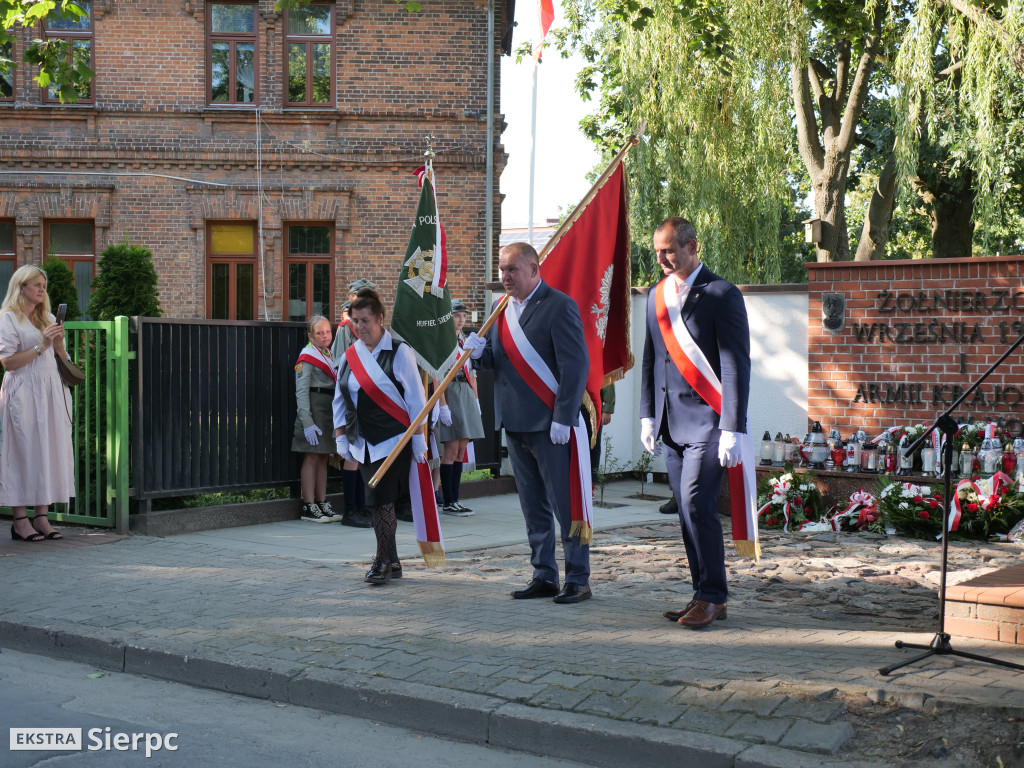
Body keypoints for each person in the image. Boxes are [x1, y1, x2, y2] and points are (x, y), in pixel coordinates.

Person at [464, 242, 592, 604]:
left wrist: (564, 417)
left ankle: (578, 577)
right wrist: (477, 354)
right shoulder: (500, 309)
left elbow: (575, 366)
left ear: (534, 270)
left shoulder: (559, 306)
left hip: (551, 425)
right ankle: (544, 573)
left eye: (512, 270)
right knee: (532, 505)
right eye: (502, 270)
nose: (505, 277)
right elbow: (495, 360)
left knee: (566, 505)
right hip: (515, 421)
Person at [640, 217, 751, 629]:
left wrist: (733, 427)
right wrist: (646, 415)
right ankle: (701, 591)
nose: (662, 259)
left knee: (695, 503)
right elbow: (652, 359)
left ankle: (714, 596)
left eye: (669, 250)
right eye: (657, 251)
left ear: (692, 246)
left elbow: (735, 363)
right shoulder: (656, 295)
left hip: (708, 422)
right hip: (670, 425)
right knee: (686, 513)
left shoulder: (722, 293)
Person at [333, 287, 429, 584]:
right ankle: (394, 561)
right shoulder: (351, 354)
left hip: (393, 439)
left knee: (380, 500)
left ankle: (382, 561)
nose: (360, 327)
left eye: (365, 321)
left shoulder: (400, 351)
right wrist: (340, 436)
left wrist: (418, 441)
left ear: (380, 319)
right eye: (356, 322)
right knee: (378, 500)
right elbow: (340, 398)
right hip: (362, 442)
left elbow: (415, 399)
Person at [0, 265, 75, 542]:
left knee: (49, 450)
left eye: (43, 285)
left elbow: (62, 359)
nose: (42, 289)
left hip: (51, 389)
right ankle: (20, 520)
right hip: (22, 391)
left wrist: (58, 346)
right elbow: (7, 363)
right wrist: (41, 346)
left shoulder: (49, 317)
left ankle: (42, 517)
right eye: (35, 285)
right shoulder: (9, 319)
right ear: (21, 288)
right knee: (22, 451)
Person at [291, 316, 371, 527]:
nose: (325, 336)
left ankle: (321, 500)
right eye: (319, 333)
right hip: (314, 408)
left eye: (327, 332)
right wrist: (306, 421)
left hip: (328, 410)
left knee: (323, 457)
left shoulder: (329, 353)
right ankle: (309, 504)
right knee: (312, 457)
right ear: (310, 336)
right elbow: (301, 391)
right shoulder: (307, 356)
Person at [435, 299, 485, 517]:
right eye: (457, 316)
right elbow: (437, 375)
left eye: (463, 316)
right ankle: (448, 500)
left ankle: (455, 498)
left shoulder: (464, 340)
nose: (461, 319)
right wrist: (442, 404)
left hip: (465, 391)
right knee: (451, 449)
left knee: (462, 450)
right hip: (451, 391)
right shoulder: (444, 341)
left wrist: (476, 399)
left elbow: (471, 372)